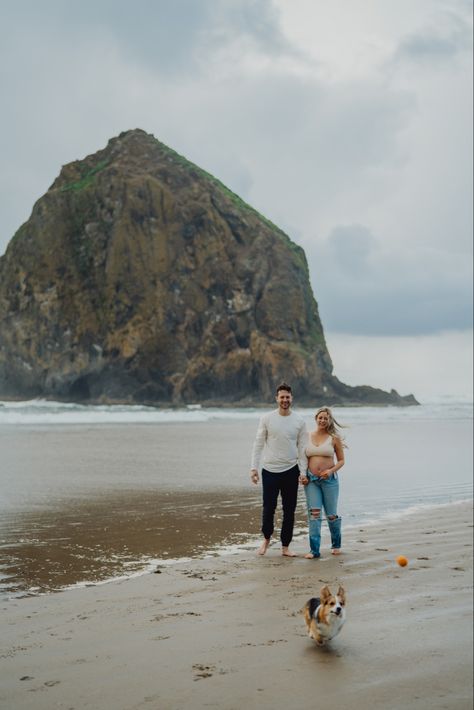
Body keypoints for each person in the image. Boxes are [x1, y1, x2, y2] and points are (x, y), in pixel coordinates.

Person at [250, 382, 307, 557]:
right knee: (269, 508)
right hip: (269, 470)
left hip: (291, 470)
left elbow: (302, 448)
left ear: (292, 398)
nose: (284, 400)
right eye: (282, 397)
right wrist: (254, 468)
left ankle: (285, 546)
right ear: (276, 398)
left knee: (289, 510)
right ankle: (266, 539)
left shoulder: (299, 421)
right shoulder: (266, 418)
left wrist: (303, 472)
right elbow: (258, 444)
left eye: (287, 397)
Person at [300, 406, 345, 558]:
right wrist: (302, 475)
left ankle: (336, 544)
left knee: (331, 515)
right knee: (314, 514)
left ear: (329, 420)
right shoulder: (306, 436)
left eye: (326, 418)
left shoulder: (334, 438)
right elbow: (302, 458)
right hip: (311, 481)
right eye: (320, 417)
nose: (323, 420)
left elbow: (341, 460)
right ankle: (314, 550)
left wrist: (331, 471)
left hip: (329, 481)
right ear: (316, 419)